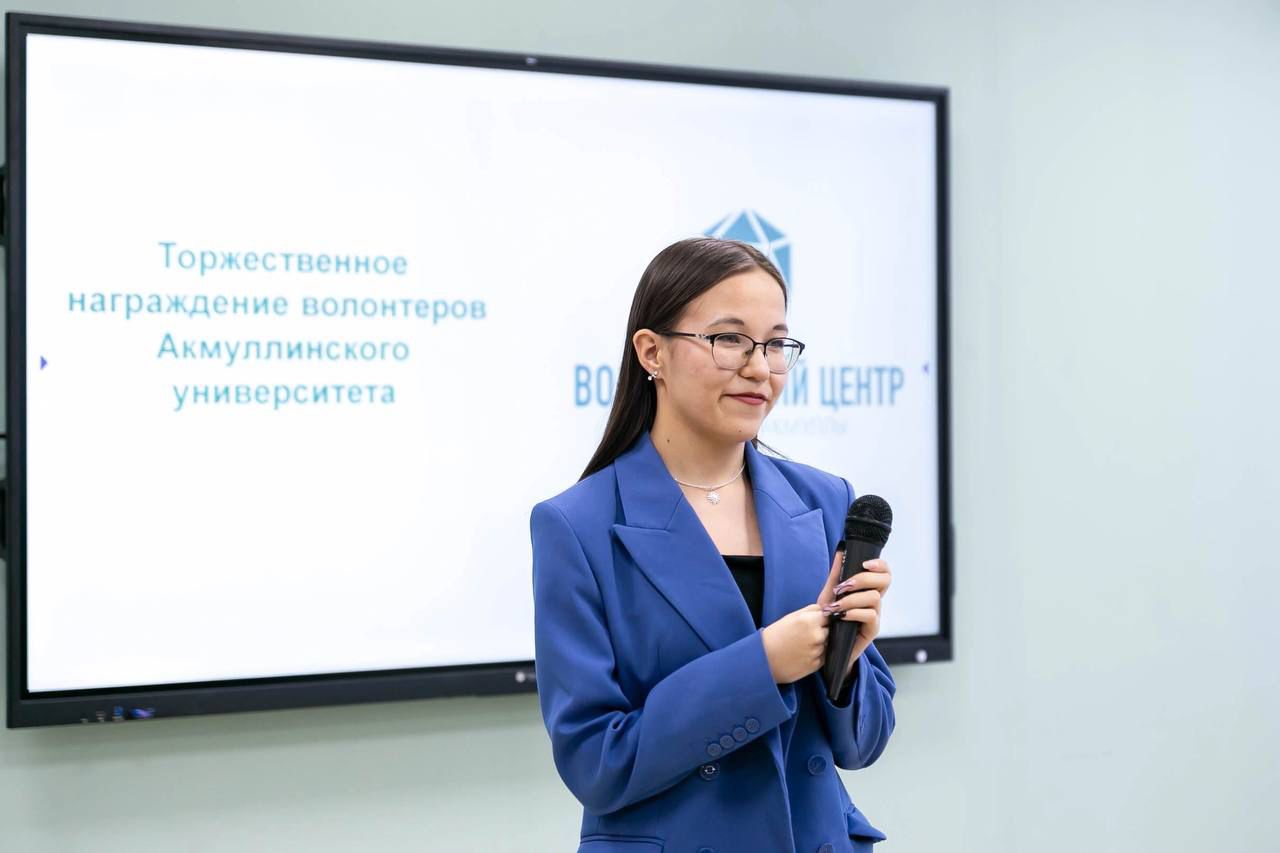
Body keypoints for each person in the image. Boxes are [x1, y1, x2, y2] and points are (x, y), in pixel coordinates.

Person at [530, 236, 896, 853]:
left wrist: (846, 665)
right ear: (652, 352)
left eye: (776, 344)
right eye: (730, 339)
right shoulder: (575, 525)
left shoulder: (826, 500)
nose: (760, 368)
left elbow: (864, 744)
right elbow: (596, 763)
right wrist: (763, 665)